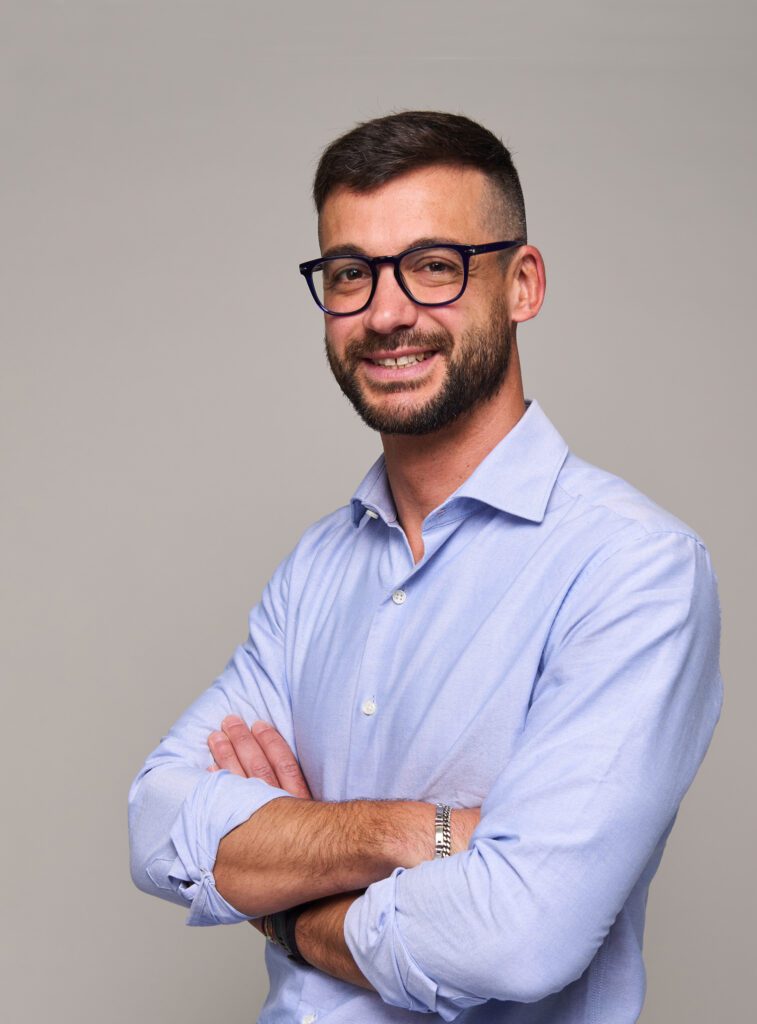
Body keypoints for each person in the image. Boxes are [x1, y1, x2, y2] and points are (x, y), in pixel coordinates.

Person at [128, 110, 723, 1023]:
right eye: (350, 274)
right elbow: (157, 823)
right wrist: (414, 832)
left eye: (435, 265)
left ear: (522, 284)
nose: (387, 313)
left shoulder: (634, 570)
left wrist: (284, 900)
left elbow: (517, 935)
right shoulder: (315, 569)